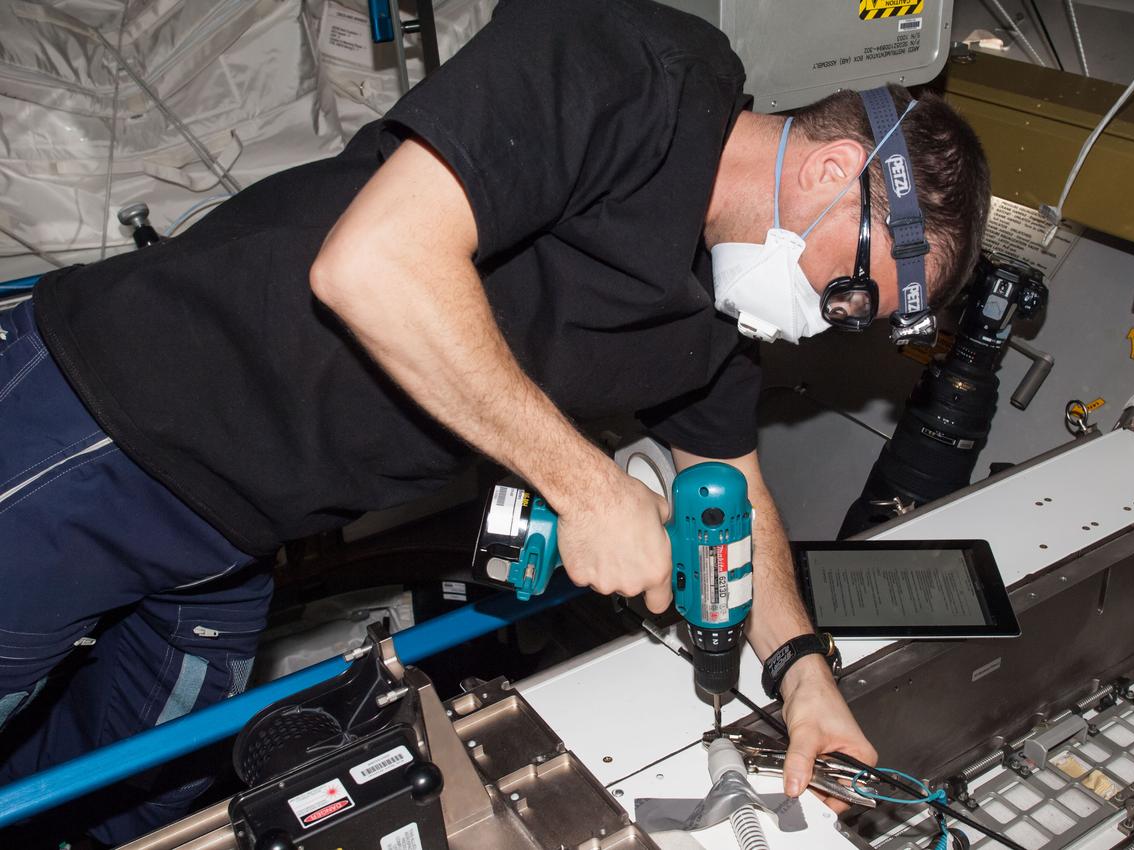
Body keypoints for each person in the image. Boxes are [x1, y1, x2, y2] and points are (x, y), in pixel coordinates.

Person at [0, 0, 990, 841]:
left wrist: (802, 671)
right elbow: (371, 264)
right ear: (833, 171)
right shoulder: (641, 73)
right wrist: (588, 484)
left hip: (233, 527)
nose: (828, 323)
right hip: (118, 412)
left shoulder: (712, 317)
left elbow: (731, 491)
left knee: (145, 793)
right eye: (853, 293)